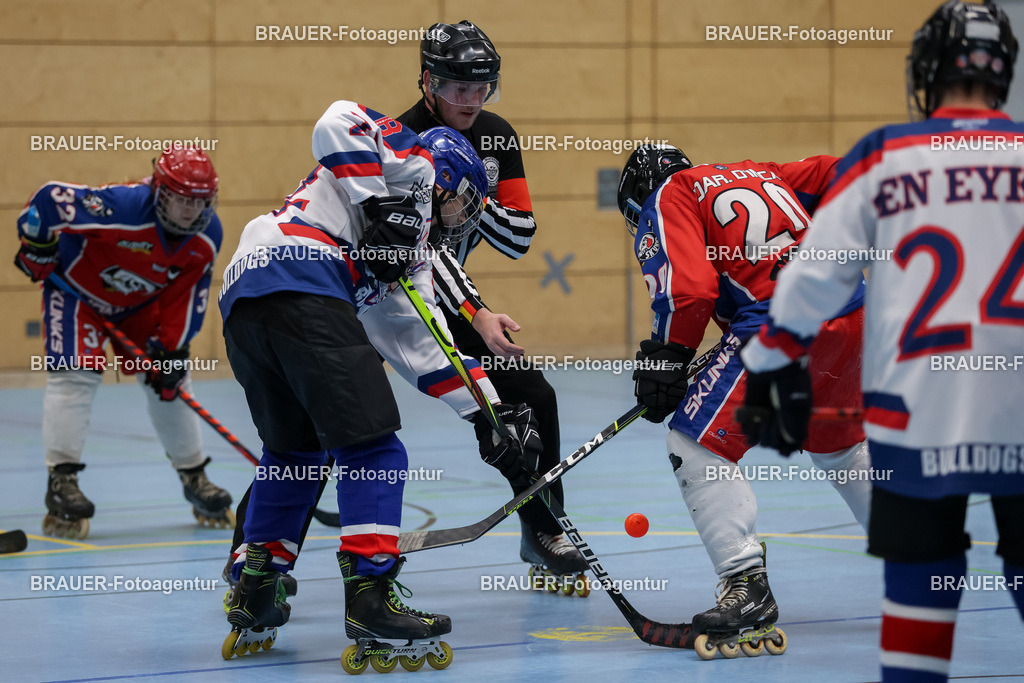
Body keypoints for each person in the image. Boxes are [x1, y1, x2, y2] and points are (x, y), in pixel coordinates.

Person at [739, 2, 1024, 680]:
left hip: (916, 410)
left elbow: (814, 278)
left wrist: (770, 364)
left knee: (920, 582)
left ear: (926, 71)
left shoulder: (884, 156)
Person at [217, 102, 542, 668]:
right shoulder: (414, 164)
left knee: (295, 453)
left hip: (247, 293)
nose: (460, 215)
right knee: (373, 447)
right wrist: (377, 204)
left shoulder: (410, 256)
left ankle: (257, 584)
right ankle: (371, 594)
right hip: (303, 276)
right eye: (463, 201)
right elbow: (336, 119)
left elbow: (422, 342)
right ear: (447, 180)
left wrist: (489, 415)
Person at [617, 144, 874, 657]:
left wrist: (668, 355)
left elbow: (688, 290)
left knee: (695, 443)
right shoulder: (760, 171)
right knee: (840, 446)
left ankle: (746, 586)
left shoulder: (668, 195)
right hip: (854, 310)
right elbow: (841, 170)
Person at [397, 20, 587, 581]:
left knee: (533, 394)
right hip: (379, 292)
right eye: (459, 87)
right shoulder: (399, 141)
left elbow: (520, 237)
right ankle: (256, 554)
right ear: (428, 81)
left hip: (447, 295)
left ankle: (544, 529)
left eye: (482, 87)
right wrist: (476, 311)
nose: (471, 100)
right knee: (325, 426)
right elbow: (420, 249)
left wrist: (468, 195)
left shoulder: (497, 135)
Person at [14, 147, 231, 540]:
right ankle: (62, 481)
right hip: (77, 295)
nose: (190, 211)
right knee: (75, 374)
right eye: (181, 200)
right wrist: (38, 245)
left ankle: (194, 476)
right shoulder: (122, 205)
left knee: (170, 383)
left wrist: (173, 350)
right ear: (159, 191)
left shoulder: (206, 236)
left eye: (199, 202)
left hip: (138, 306)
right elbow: (48, 199)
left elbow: (186, 297)